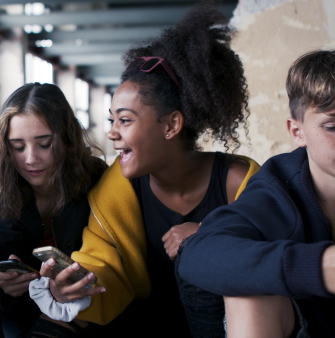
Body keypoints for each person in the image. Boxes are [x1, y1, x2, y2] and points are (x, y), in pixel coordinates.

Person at [32, 4, 261, 337]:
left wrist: (212, 234)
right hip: (144, 324)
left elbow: (276, 249)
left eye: (125, 120)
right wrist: (73, 287)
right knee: (57, 317)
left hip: (227, 325)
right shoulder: (116, 190)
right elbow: (103, 264)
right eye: (112, 120)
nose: (112, 132)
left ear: (171, 125)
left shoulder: (238, 181)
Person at [178, 49, 335, 337]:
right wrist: (321, 267)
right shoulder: (278, 187)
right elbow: (197, 254)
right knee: (248, 290)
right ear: (297, 131)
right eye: (333, 126)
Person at [0, 82, 108, 338]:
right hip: (15, 311)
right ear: (5, 146)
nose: (31, 158)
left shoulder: (98, 180)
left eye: (44, 143)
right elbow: (9, 298)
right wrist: (9, 291)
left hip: (85, 307)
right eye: (17, 146)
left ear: (67, 139)